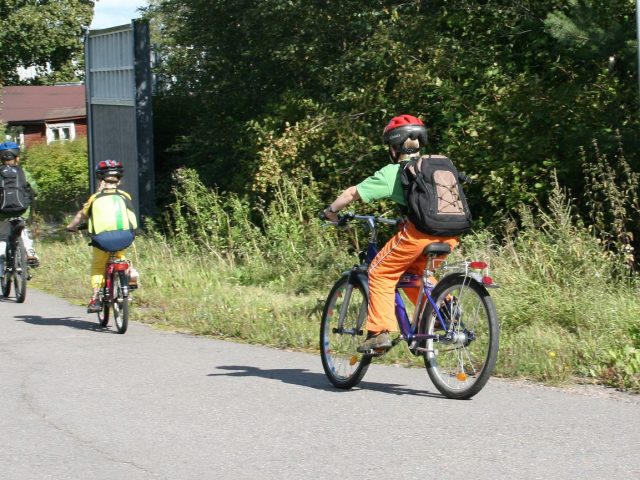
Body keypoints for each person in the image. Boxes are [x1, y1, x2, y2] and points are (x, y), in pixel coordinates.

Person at [323, 114, 460, 352]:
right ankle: (444, 311)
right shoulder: (437, 165)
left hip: (419, 235)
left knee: (379, 272)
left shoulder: (394, 171)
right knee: (415, 273)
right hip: (451, 235)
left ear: (394, 146)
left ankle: (380, 332)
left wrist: (330, 212)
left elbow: (351, 194)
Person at [66, 160, 138, 313]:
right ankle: (130, 272)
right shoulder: (125, 195)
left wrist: (71, 227)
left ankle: (95, 297)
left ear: (100, 179)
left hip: (102, 239)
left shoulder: (95, 198)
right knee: (120, 256)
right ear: (120, 179)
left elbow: (82, 215)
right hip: (125, 236)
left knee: (98, 266)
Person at [0, 141, 39, 275]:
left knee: (2, 234)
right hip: (22, 211)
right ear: (17, 157)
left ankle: (1, 253)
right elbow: (35, 189)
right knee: (22, 230)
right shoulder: (23, 172)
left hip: (2, 213)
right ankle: (29, 251)